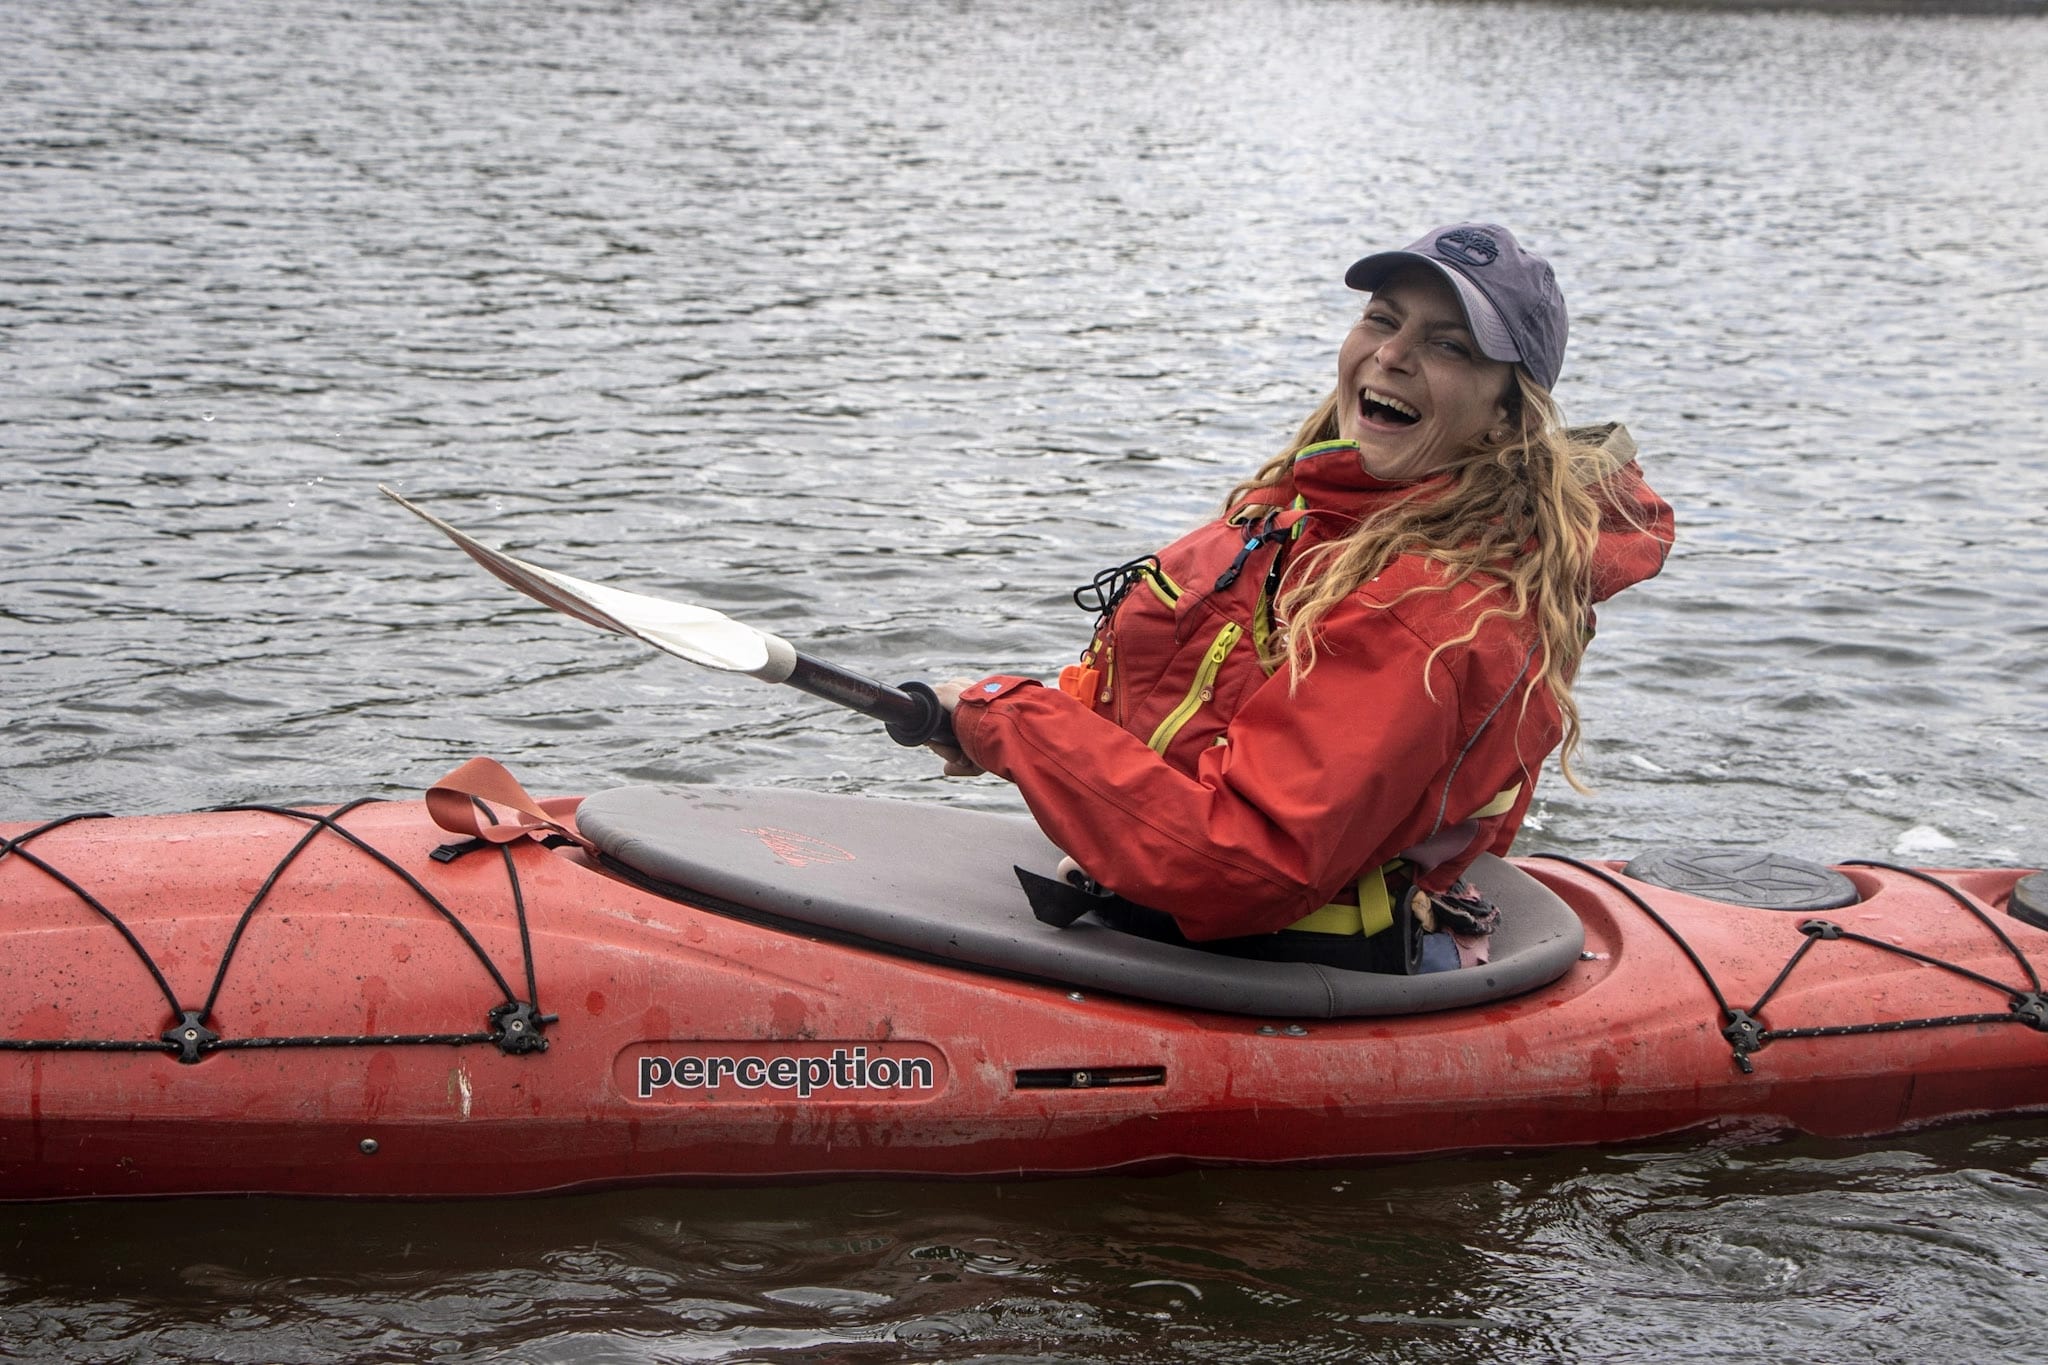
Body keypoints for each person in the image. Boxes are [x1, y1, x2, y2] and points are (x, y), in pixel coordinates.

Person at [931, 223, 1675, 973]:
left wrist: (1013, 723)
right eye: (1382, 320)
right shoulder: (1308, 511)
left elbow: (1243, 864)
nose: (1391, 355)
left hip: (1295, 967)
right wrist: (1010, 732)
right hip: (1155, 909)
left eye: (1448, 346)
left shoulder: (1437, 614)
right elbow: (1178, 711)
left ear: (1507, 415)